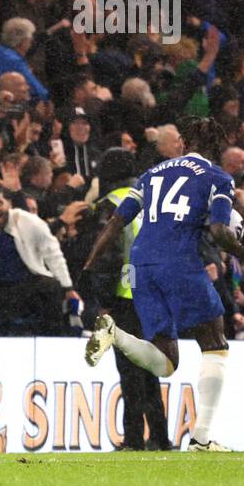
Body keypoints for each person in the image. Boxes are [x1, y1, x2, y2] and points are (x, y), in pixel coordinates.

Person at [82, 116, 244, 452]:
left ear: (183, 143)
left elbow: (116, 222)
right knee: (215, 343)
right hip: (179, 261)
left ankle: (118, 335)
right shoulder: (218, 177)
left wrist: (89, 263)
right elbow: (218, 232)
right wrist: (241, 247)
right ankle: (201, 438)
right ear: (216, 148)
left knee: (165, 361)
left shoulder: (150, 174)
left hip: (140, 266)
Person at [80, 147, 171, 450]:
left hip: (126, 297)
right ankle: (159, 437)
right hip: (157, 297)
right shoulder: (154, 203)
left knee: (130, 370)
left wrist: (102, 301)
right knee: (150, 370)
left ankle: (133, 439)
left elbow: (106, 257)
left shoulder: (111, 205)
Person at [0, 185, 81, 334]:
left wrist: (68, 287)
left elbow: (52, 253)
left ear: (9, 204)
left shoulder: (28, 221)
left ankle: (53, 339)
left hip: (29, 282)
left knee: (51, 288)